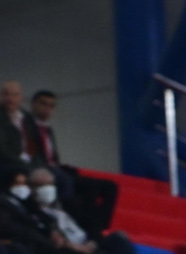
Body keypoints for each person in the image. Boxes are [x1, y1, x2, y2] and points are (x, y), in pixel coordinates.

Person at [24, 165, 150, 254]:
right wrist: (73, 247)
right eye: (42, 185)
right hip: (72, 252)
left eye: (50, 184)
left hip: (90, 248)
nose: (47, 189)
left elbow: (93, 227)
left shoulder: (67, 206)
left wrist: (92, 243)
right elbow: (43, 236)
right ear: (32, 188)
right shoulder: (31, 212)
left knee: (118, 238)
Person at [23, 89, 116, 234]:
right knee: (90, 186)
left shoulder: (48, 129)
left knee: (111, 186)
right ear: (33, 104)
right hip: (43, 170)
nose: (47, 109)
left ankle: (102, 226)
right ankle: (90, 227)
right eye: (43, 104)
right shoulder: (26, 125)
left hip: (56, 168)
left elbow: (53, 156)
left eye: (51, 106)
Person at [0, 81, 33, 172]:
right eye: (7, 94)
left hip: (30, 161)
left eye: (15, 95)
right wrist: (24, 163)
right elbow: (1, 150)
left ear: (21, 97)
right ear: (0, 97)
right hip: (10, 164)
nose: (10, 99)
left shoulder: (26, 117)